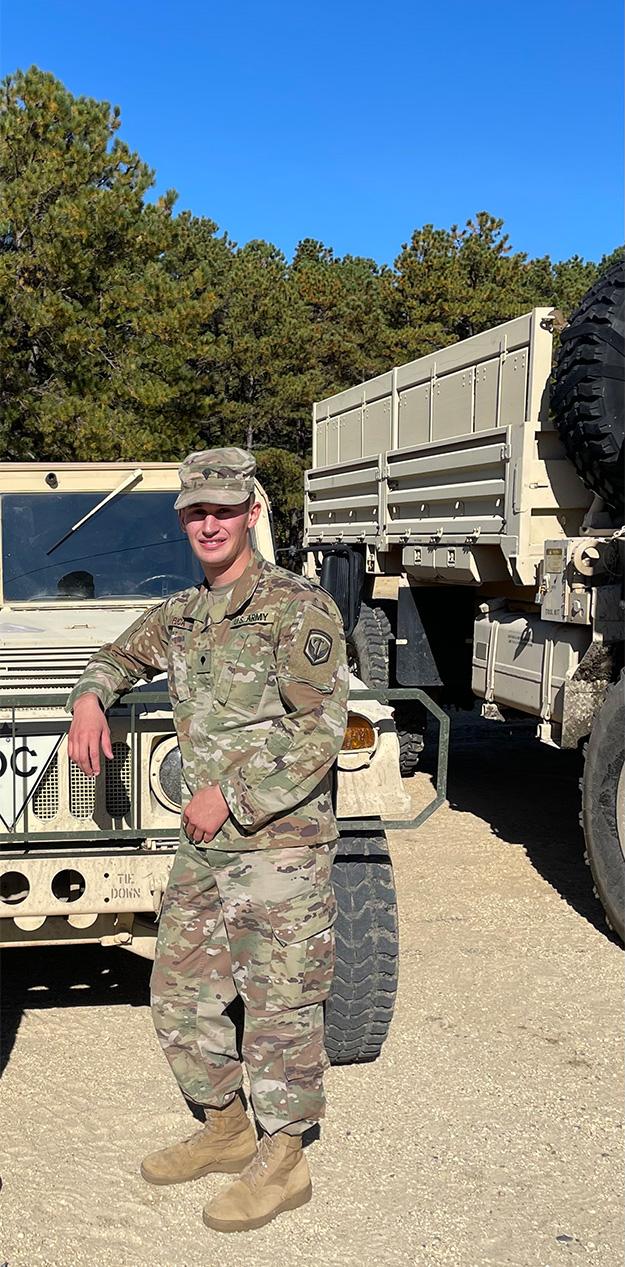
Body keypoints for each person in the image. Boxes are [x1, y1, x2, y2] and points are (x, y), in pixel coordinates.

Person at [66, 447, 348, 1234]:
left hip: (276, 843)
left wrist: (232, 791)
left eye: (224, 508)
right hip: (206, 847)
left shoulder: (299, 607)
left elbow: (320, 726)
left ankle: (284, 1157)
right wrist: (91, 697)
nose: (210, 522)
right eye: (196, 511)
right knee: (180, 994)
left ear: (252, 512)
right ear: (184, 519)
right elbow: (120, 654)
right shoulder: (184, 612)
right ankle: (226, 1128)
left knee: (280, 1004)